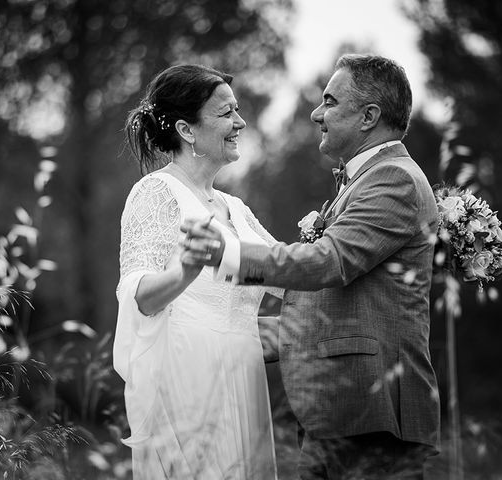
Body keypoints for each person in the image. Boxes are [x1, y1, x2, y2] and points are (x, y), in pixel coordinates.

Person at [181, 54, 441, 479]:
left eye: (330, 101)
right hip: (347, 414)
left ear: (368, 116)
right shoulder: (363, 179)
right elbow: (348, 301)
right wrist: (250, 333)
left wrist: (229, 253)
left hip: (371, 412)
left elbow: (331, 261)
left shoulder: (393, 179)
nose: (316, 113)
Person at [112, 64, 281, 480]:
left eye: (237, 110)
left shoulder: (235, 208)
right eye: (226, 113)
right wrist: (185, 272)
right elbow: (139, 294)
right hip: (189, 379)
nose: (240, 121)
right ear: (187, 130)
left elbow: (289, 274)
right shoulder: (156, 192)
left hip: (245, 376)